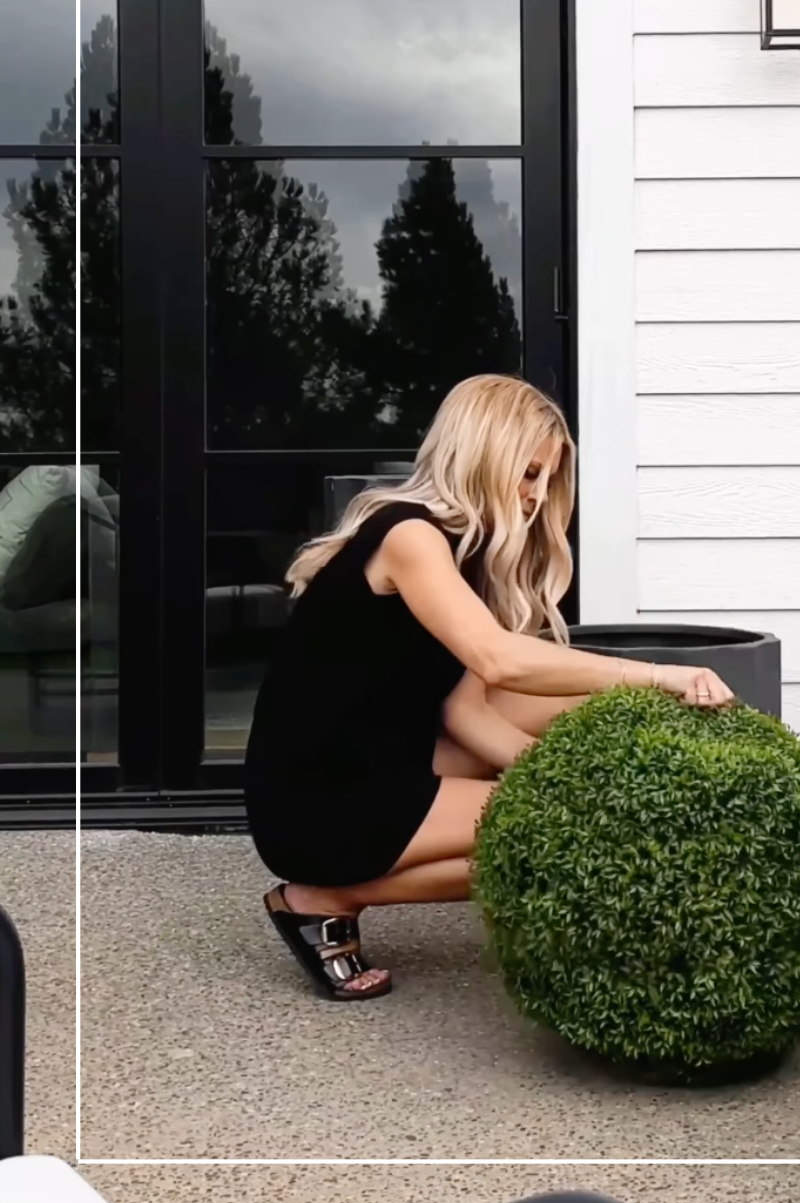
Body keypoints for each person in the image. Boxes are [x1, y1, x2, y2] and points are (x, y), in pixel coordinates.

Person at [244, 374, 734, 1001]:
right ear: (480, 455)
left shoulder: (461, 552)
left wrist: (553, 773)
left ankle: (343, 884)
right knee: (554, 834)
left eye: (546, 481)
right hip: (320, 795)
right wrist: (658, 673)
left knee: (572, 746)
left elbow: (466, 707)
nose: (536, 498)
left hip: (380, 758)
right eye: (527, 474)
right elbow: (498, 660)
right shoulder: (409, 536)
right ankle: (325, 895)